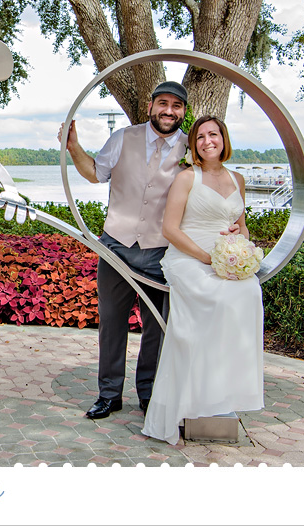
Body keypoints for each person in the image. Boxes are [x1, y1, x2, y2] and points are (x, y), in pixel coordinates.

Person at [61, 81, 188, 419]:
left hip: (161, 250)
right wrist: (73, 147)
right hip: (116, 245)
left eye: (176, 106)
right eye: (163, 103)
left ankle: (148, 393)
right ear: (150, 106)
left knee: (157, 326)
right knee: (112, 323)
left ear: (183, 113)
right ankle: (109, 394)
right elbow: (95, 174)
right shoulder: (122, 138)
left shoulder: (192, 150)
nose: (169, 111)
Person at [142, 115, 265, 445]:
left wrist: (238, 248)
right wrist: (208, 258)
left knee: (250, 293)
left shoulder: (237, 178)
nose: (207, 141)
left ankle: (222, 390)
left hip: (225, 257)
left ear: (224, 139)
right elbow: (170, 229)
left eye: (214, 134)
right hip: (189, 256)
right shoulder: (186, 178)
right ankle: (190, 396)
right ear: (193, 145)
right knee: (215, 298)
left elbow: (242, 226)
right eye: (200, 137)